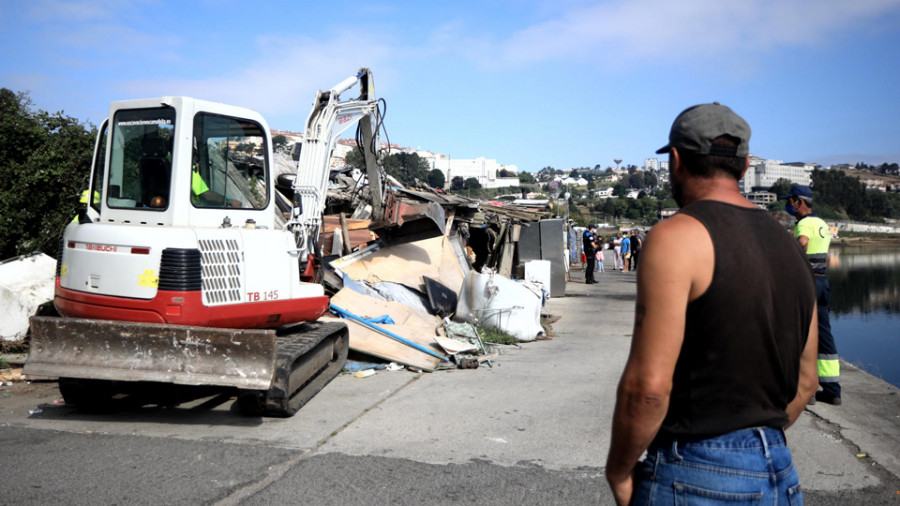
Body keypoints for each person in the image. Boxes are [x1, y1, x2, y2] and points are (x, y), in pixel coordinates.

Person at [605, 103, 819, 505]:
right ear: (744, 166)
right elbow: (807, 382)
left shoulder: (676, 236)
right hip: (781, 474)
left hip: (695, 473)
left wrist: (618, 470)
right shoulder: (791, 248)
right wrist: (753, 450)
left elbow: (649, 388)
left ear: (678, 160)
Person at [781, 184, 841, 406]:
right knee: (824, 334)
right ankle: (833, 390)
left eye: (790, 201)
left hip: (807, 284)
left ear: (800, 201)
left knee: (801, 334)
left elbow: (803, 243)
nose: (788, 205)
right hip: (823, 282)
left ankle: (807, 391)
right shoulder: (822, 224)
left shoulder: (804, 224)